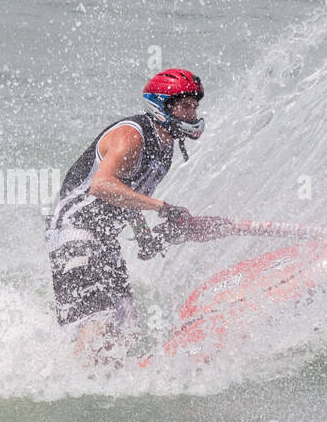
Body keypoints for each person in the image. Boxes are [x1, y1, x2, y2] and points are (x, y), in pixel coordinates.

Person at [44, 69, 206, 364]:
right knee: (99, 321)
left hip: (104, 238)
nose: (192, 112)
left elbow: (128, 194)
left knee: (127, 327)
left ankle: (104, 374)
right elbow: (103, 185)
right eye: (185, 105)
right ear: (162, 105)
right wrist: (163, 207)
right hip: (74, 230)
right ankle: (71, 377)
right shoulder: (132, 136)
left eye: (195, 105)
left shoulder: (165, 147)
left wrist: (144, 236)